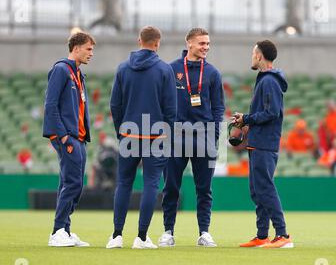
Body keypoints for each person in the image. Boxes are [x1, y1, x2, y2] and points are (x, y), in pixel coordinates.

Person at [107, 26, 177, 249]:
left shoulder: (122, 68)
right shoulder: (165, 70)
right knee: (150, 184)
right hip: (156, 135)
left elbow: (115, 104)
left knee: (123, 183)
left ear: (139, 41)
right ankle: (142, 237)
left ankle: (116, 236)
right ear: (157, 43)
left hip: (128, 133)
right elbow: (170, 108)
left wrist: (121, 130)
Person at [159, 28, 225, 247]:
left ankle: (204, 233)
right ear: (189, 43)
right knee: (171, 187)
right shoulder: (171, 69)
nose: (206, 47)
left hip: (204, 137)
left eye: (208, 43)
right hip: (175, 137)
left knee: (204, 189)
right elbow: (162, 103)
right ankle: (168, 232)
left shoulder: (213, 73)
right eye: (201, 43)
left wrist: (214, 134)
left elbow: (218, 107)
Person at [233, 40, 293, 248]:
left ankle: (283, 235)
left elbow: (271, 113)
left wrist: (247, 119)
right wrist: (246, 120)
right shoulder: (266, 80)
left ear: (259, 55)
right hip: (259, 141)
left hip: (265, 143)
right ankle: (262, 235)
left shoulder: (268, 81)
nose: (252, 56)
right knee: (257, 190)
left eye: (253, 53)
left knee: (265, 188)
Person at [43, 31, 95, 247]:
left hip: (78, 137)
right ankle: (57, 232)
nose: (91, 54)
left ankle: (65, 229)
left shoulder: (77, 73)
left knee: (71, 183)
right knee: (73, 183)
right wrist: (62, 136)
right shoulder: (61, 70)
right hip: (68, 136)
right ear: (76, 48)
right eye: (89, 49)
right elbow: (51, 104)